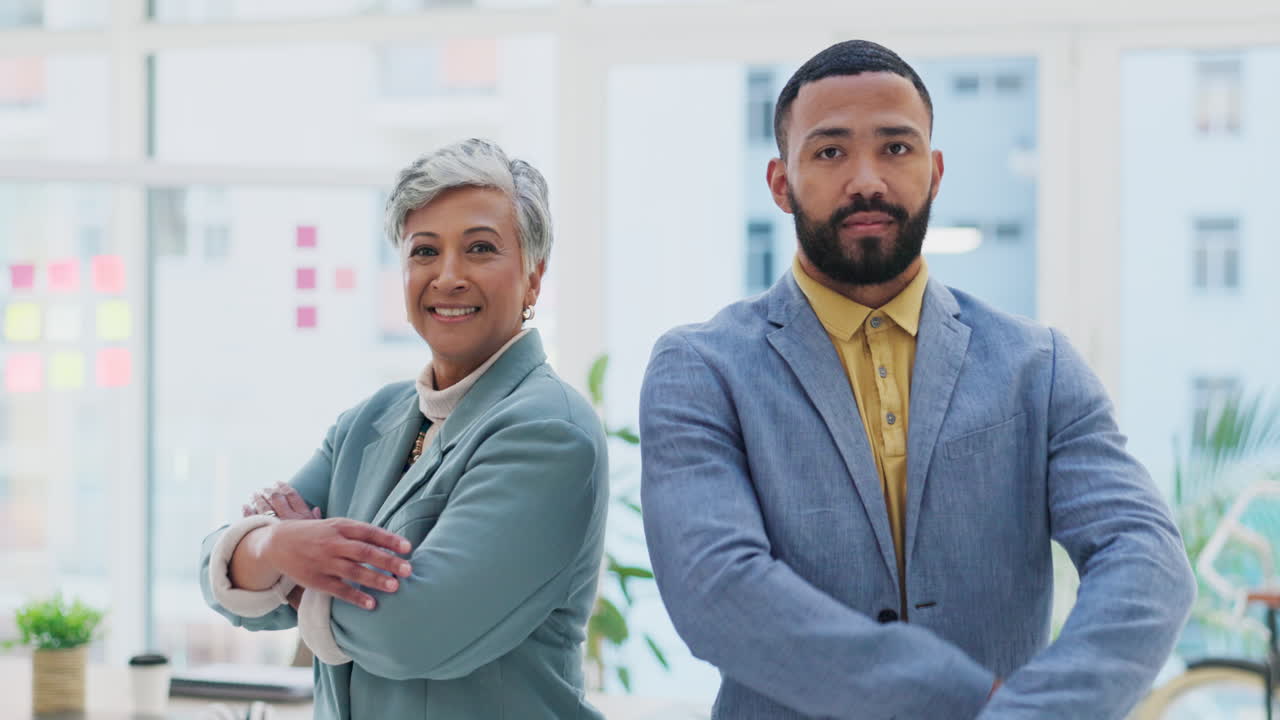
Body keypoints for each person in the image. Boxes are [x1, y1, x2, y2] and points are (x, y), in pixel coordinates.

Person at [638, 40, 1195, 719]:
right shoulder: (702, 370)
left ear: (933, 173)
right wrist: (956, 697)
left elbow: (1147, 560)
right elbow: (715, 589)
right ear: (781, 183)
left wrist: (1037, 710)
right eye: (830, 151)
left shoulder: (1037, 367)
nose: (867, 179)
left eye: (896, 149)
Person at [199, 138, 608, 720]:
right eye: (424, 252)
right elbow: (219, 577)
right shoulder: (370, 420)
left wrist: (287, 572)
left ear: (533, 278)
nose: (448, 276)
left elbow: (412, 632)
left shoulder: (549, 430)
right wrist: (272, 542)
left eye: (481, 249)